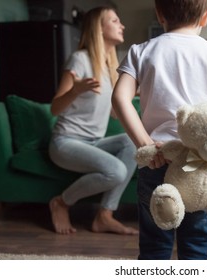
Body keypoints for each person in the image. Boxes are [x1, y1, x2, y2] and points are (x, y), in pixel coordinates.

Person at [112, 0, 207, 260]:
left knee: (155, 245)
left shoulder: (140, 51)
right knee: (197, 245)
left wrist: (144, 143)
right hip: (202, 163)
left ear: (159, 13)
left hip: (158, 158)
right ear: (206, 17)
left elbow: (120, 98)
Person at [48, 6, 138, 236]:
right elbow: (55, 108)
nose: (122, 25)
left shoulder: (111, 70)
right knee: (116, 171)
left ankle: (104, 216)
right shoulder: (79, 60)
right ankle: (61, 202)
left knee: (133, 143)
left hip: (94, 141)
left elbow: (115, 115)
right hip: (66, 143)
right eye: (115, 21)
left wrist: (134, 96)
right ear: (99, 28)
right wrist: (74, 91)